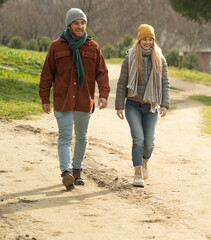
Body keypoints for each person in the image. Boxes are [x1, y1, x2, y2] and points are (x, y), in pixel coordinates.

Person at [39, 8, 110, 190]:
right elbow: (47, 73)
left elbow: (102, 73)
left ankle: (77, 170)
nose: (80, 26)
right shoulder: (56, 46)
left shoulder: (93, 47)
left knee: (82, 137)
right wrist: (44, 97)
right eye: (76, 23)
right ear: (69, 25)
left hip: (83, 100)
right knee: (64, 137)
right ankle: (66, 172)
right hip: (63, 100)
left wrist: (103, 94)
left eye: (82, 23)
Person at [115, 24, 170, 187]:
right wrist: (119, 105)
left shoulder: (160, 58)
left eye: (150, 40)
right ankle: (138, 171)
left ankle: (145, 162)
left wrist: (165, 104)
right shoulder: (130, 57)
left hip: (151, 106)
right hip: (133, 104)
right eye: (144, 39)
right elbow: (122, 83)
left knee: (149, 142)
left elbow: (165, 83)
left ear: (153, 40)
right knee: (138, 139)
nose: (147, 42)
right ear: (139, 40)